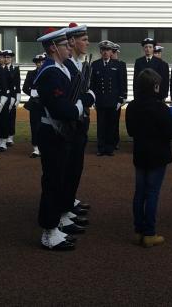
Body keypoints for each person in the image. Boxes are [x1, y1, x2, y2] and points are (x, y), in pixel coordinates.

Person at [34, 27, 93, 251]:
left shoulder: (60, 69)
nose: (69, 47)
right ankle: (48, 232)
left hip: (62, 133)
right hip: (53, 133)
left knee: (61, 179)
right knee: (53, 182)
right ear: (52, 48)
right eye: (64, 45)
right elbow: (64, 111)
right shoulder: (50, 72)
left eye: (70, 44)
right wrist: (85, 100)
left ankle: (56, 222)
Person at [125, 68, 172, 248]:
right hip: (158, 154)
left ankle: (139, 229)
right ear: (155, 86)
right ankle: (150, 232)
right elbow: (170, 133)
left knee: (140, 193)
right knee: (152, 193)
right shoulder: (160, 107)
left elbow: (131, 131)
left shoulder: (132, 106)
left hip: (140, 152)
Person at [62, 23, 95, 226]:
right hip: (70, 125)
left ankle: (68, 201)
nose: (87, 43)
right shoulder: (67, 65)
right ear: (72, 41)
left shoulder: (78, 63)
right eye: (84, 39)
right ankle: (63, 210)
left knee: (76, 167)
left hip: (80, 123)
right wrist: (87, 97)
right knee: (68, 169)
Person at [91, 40, 127, 156]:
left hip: (113, 100)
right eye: (103, 50)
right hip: (101, 100)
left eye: (108, 50)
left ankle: (109, 148)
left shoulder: (118, 65)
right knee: (101, 125)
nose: (106, 52)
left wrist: (120, 99)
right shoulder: (95, 65)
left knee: (111, 125)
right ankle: (101, 148)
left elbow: (122, 83)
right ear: (101, 51)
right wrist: (93, 99)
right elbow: (93, 84)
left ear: (111, 52)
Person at [22, 53, 46, 158]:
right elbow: (25, 87)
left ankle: (46, 148)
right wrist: (32, 92)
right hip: (34, 104)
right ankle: (36, 149)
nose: (40, 64)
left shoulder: (49, 73)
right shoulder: (30, 74)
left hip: (46, 103)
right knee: (34, 126)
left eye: (42, 62)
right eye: (38, 62)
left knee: (46, 126)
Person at [0, 50, 14, 152]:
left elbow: (12, 85)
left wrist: (13, 98)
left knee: (4, 120)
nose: (0, 59)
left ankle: (3, 141)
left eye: (2, 57)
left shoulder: (9, 70)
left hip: (6, 97)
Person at [111, 42, 127, 150]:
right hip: (107, 97)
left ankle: (115, 141)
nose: (112, 54)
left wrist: (123, 96)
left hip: (117, 97)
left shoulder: (121, 64)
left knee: (115, 121)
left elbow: (123, 81)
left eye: (114, 52)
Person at [4, 50, 21, 147]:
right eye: (5, 57)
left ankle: (10, 137)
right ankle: (3, 136)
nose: (6, 59)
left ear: (12, 58)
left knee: (11, 116)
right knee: (3, 116)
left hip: (13, 95)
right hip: (2, 94)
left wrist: (18, 96)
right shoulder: (0, 68)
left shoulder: (15, 69)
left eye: (8, 57)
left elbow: (17, 83)